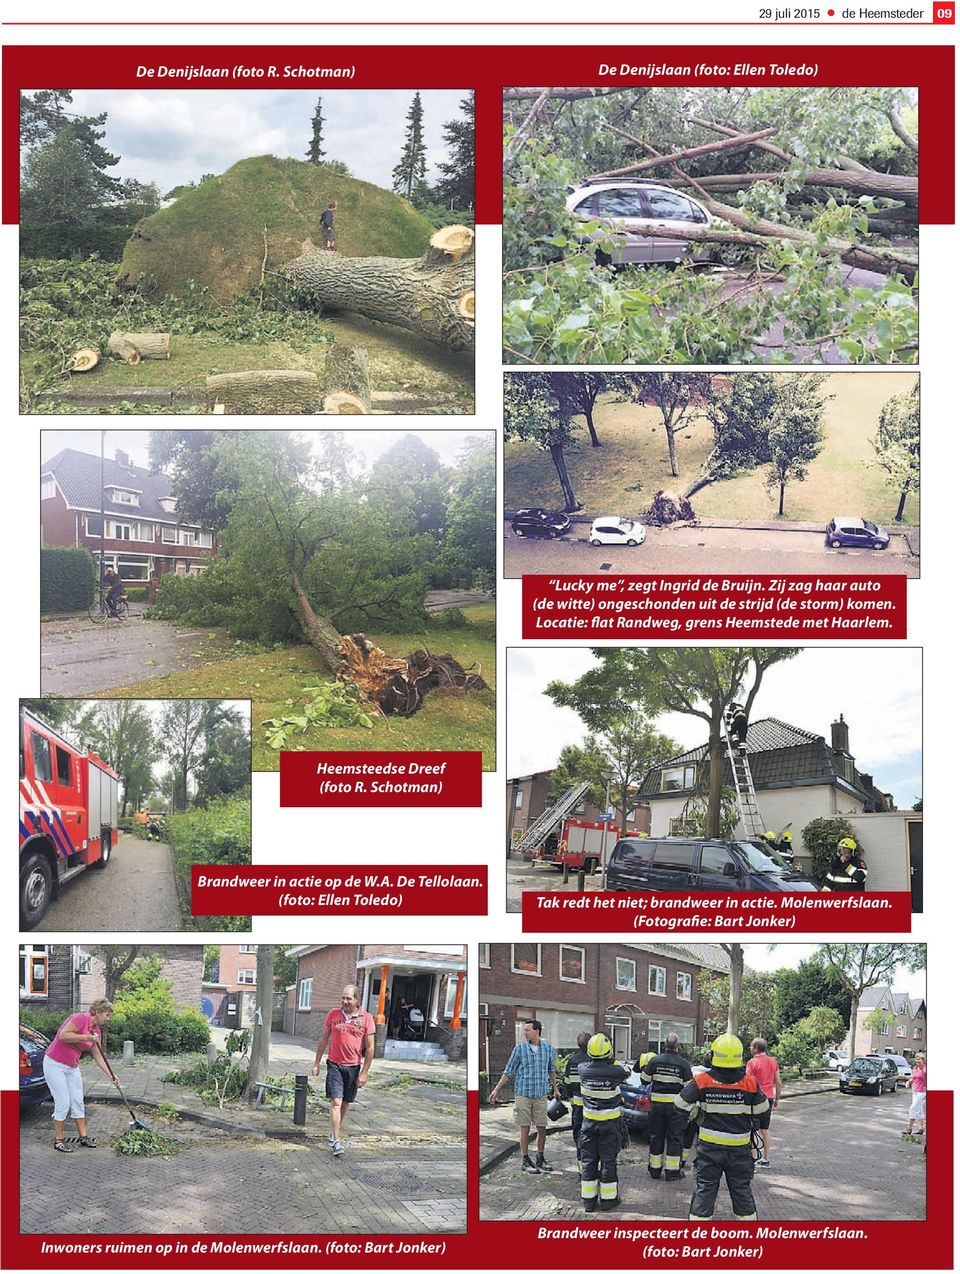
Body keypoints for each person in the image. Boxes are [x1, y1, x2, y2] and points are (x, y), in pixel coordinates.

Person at [675, 1032, 768, 1221]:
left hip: (709, 1149)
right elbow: (763, 1109)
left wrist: (698, 1116)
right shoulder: (749, 1082)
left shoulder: (702, 1080)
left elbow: (679, 1103)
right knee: (742, 1193)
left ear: (714, 1055)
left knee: (704, 1192)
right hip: (739, 1150)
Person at [42, 999, 119, 1152]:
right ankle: (59, 1140)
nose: (108, 1018)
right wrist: (86, 1038)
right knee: (63, 1102)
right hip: (54, 1064)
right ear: (97, 1012)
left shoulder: (97, 1032)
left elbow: (97, 1056)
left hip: (72, 1066)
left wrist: (111, 1074)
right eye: (107, 1015)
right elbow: (63, 1036)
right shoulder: (80, 1018)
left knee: (77, 1100)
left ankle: (83, 1137)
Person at [487, 1018, 559, 1175]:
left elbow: (551, 1070)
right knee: (524, 1128)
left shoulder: (548, 1049)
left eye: (527, 1030)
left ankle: (540, 1157)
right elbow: (508, 1071)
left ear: (537, 1031)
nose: (524, 1032)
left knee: (542, 1128)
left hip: (541, 1094)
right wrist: (496, 1090)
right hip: (523, 1095)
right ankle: (525, 1160)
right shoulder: (519, 1050)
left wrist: (556, 1089)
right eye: (524, 1030)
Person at [311, 983, 375, 1157]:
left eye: (348, 998)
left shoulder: (366, 1018)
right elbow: (323, 1039)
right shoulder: (333, 1014)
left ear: (356, 999)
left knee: (346, 1103)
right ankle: (337, 1140)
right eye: (343, 998)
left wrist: (364, 1072)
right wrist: (317, 1063)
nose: (345, 1001)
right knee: (336, 1102)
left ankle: (333, 1133)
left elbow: (370, 1049)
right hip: (334, 1064)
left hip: (354, 1066)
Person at [577, 1033, 628, 1212]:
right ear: (609, 1053)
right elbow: (626, 1072)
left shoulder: (582, 1068)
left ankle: (588, 1202)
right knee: (608, 1161)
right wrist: (612, 1061)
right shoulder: (615, 1071)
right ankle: (608, 1201)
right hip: (609, 1125)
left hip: (589, 1125)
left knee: (589, 1161)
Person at [640, 1033, 693, 1180]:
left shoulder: (655, 1060)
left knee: (656, 1136)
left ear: (664, 1045)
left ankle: (655, 1170)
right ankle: (672, 1172)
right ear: (678, 1046)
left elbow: (644, 1080)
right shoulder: (683, 1064)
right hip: (675, 1108)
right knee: (674, 1138)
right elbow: (689, 1088)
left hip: (656, 1106)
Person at [746, 1037, 782, 1166]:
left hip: (755, 1099)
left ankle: (754, 1160)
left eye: (751, 1046)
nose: (750, 1048)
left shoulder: (752, 1063)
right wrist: (777, 1099)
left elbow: (748, 1082)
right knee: (765, 1129)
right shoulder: (773, 1062)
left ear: (755, 1049)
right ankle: (766, 1159)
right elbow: (778, 1082)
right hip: (769, 1098)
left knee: (753, 1130)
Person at [562, 1031, 592, 1161]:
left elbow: (567, 1082)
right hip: (591, 1106)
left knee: (578, 1134)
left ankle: (581, 1162)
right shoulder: (593, 1060)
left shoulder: (572, 1060)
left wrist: (571, 1098)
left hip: (577, 1106)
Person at [905, 1052, 926, 1137]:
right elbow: (913, 1077)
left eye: (919, 1059)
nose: (917, 1061)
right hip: (915, 1091)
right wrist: (908, 1081)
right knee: (919, 1110)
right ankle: (921, 1129)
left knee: (912, 1108)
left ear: (923, 1060)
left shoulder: (925, 1069)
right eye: (916, 1059)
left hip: (922, 1092)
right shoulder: (915, 1068)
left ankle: (909, 1129)